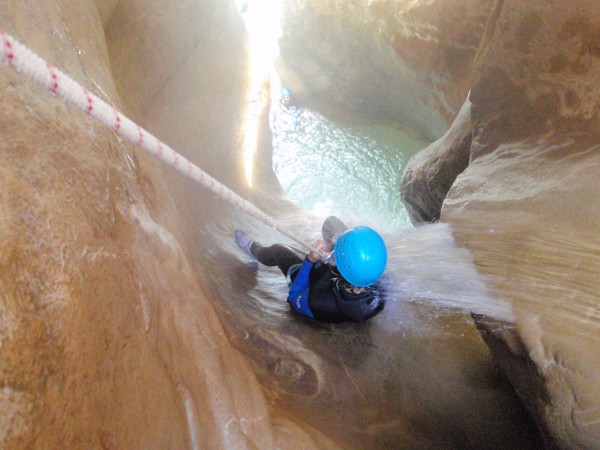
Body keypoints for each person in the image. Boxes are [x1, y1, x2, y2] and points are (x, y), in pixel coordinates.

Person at [234, 216, 388, 323]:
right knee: (331, 223)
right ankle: (343, 247)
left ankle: (255, 251)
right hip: (341, 277)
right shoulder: (373, 279)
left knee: (278, 250)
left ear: (337, 267)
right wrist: (338, 249)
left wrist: (310, 261)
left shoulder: (319, 302)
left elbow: (294, 297)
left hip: (312, 283)